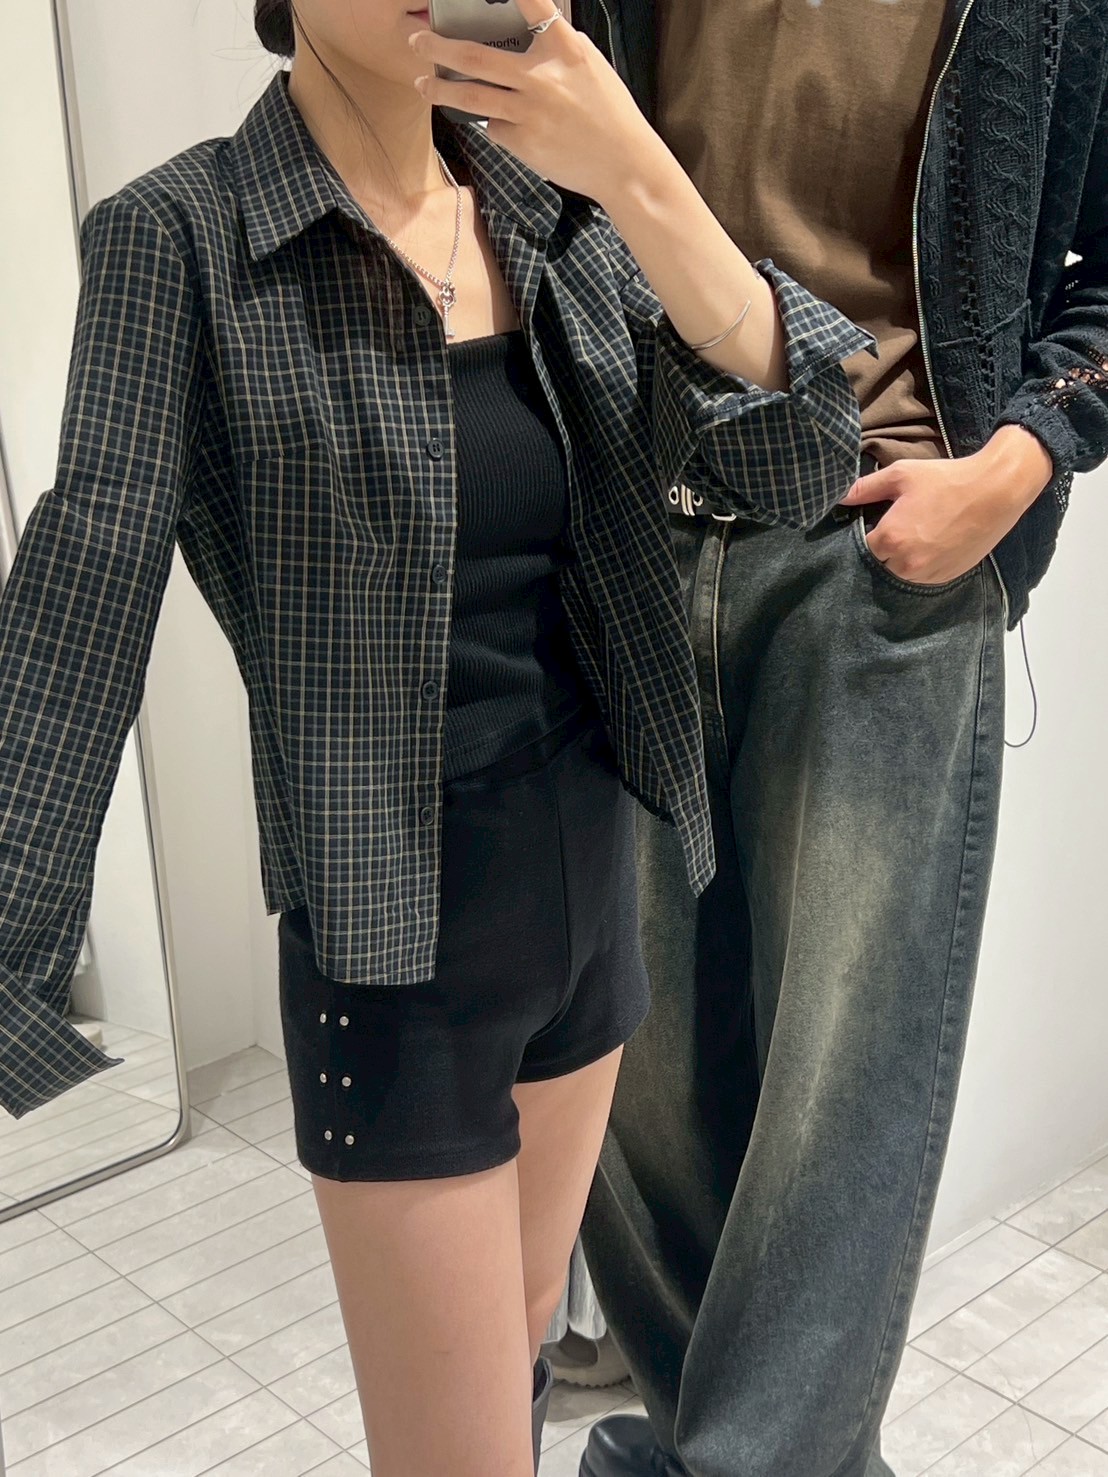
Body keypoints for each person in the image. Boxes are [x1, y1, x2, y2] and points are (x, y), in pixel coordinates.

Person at [0, 2, 873, 1472]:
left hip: (594, 905)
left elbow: (801, 464)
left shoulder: (554, 212)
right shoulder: (186, 238)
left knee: (517, 1367)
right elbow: (83, 586)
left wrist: (637, 172)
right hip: (394, 960)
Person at [568, 3, 1108, 1476]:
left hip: (879, 551)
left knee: (837, 1109)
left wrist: (1017, 461)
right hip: (622, 536)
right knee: (634, 1094)